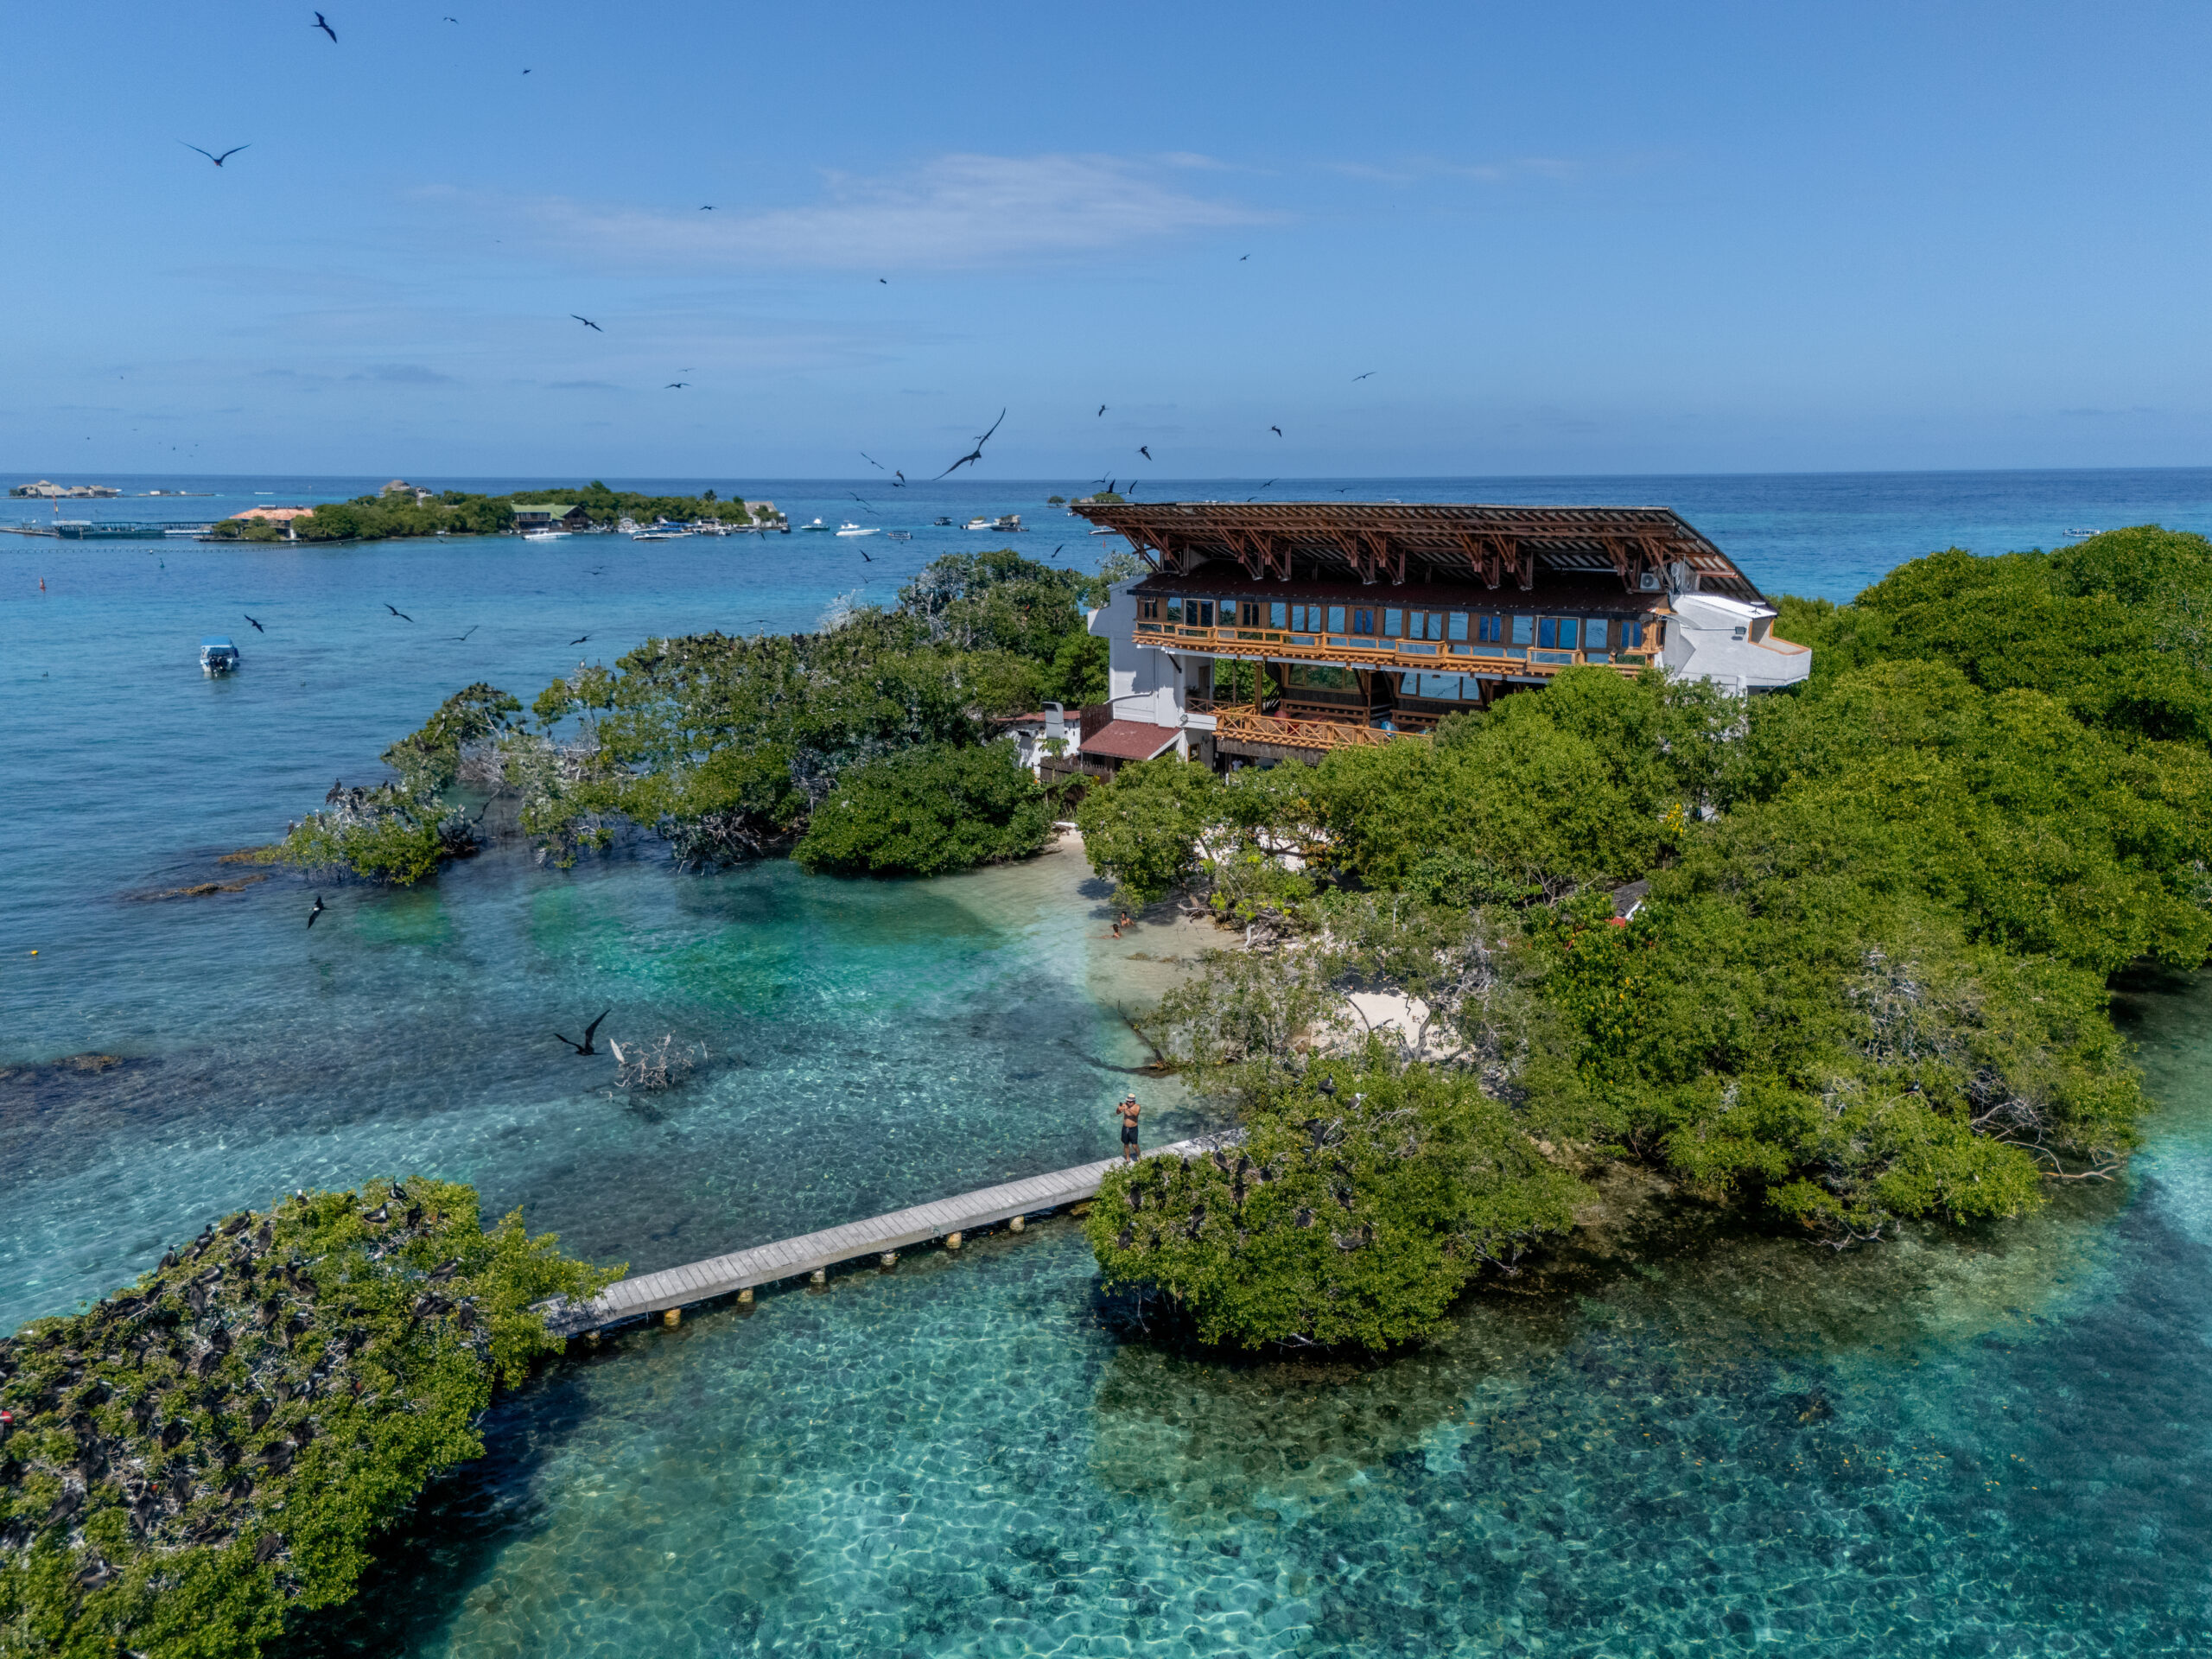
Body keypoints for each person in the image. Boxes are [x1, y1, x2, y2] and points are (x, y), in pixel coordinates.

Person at [1116, 1093, 1141, 1160]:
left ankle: (1139, 1157)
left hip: (1133, 1129)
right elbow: (1117, 1113)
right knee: (1126, 1144)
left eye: (1129, 1102)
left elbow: (1136, 1114)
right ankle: (1128, 1158)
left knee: (1134, 1145)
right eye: (1127, 1101)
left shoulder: (1137, 1106)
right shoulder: (1124, 1104)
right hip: (1125, 1128)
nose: (1128, 1103)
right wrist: (1119, 1109)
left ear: (1134, 1101)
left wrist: (1128, 1108)